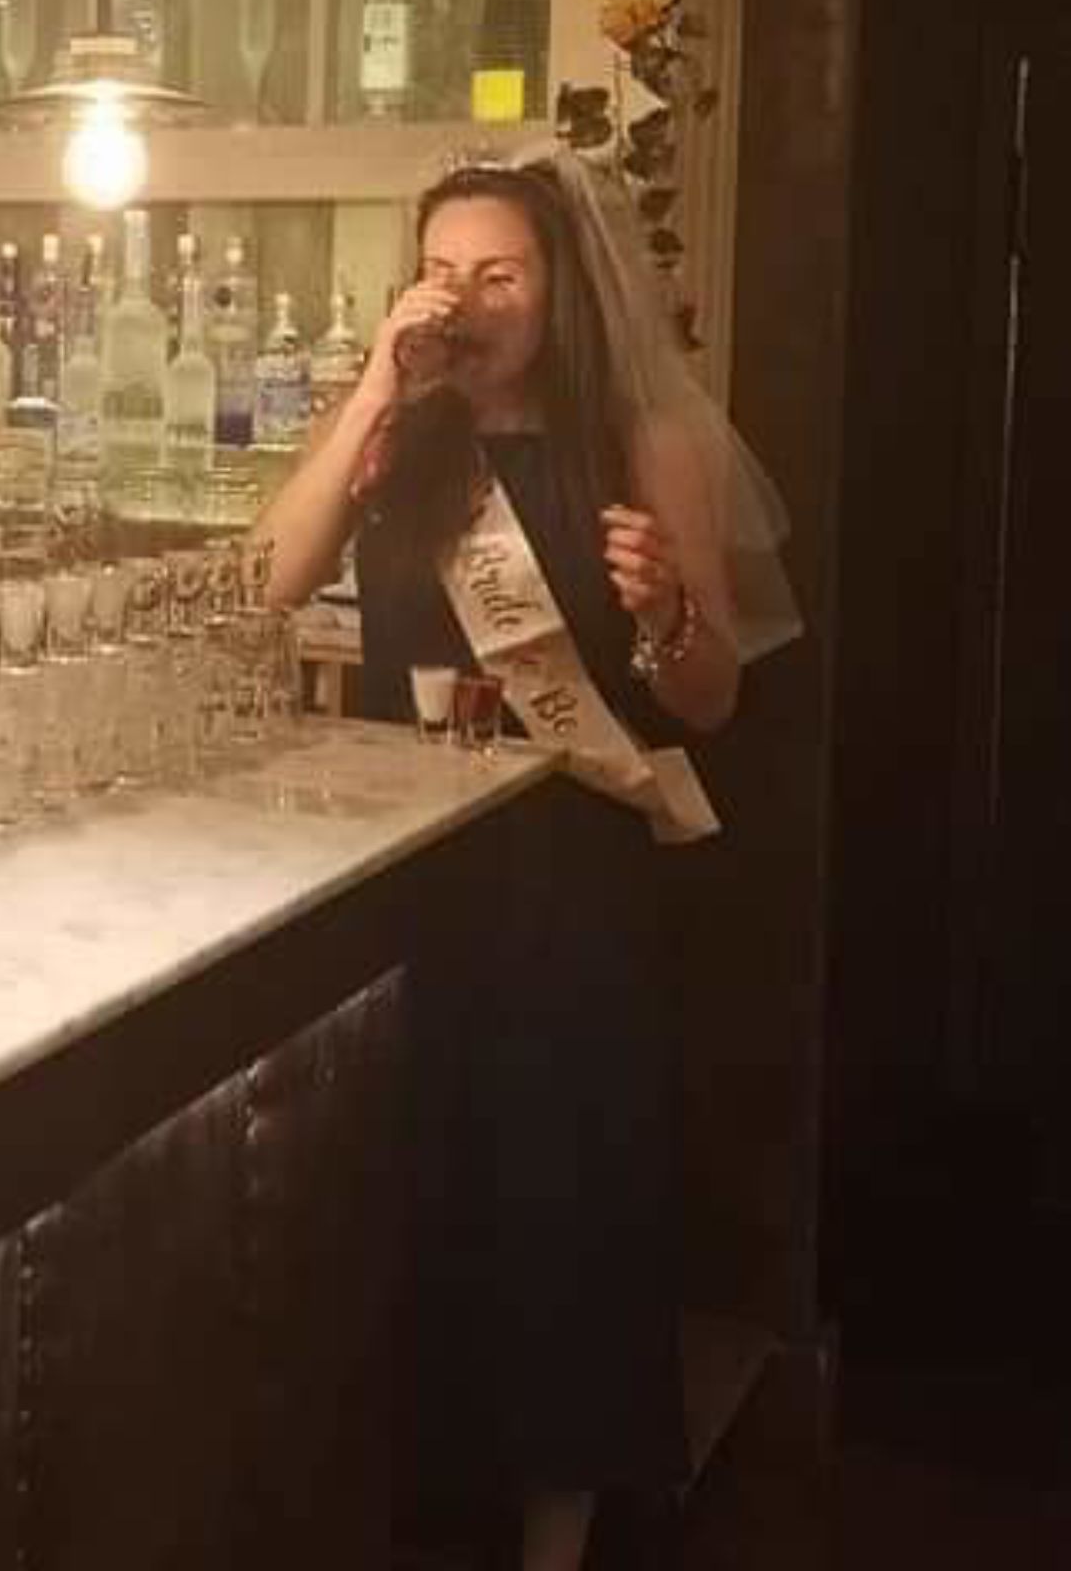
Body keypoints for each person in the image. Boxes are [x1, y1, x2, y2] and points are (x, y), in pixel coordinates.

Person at [253, 148, 795, 1571]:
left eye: (501, 275)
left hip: (572, 883)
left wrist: (668, 615)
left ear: (560, 291)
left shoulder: (641, 444)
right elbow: (269, 582)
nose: (469, 300)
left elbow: (711, 699)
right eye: (443, 272)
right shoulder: (397, 437)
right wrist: (374, 389)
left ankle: (553, 1547)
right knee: (417, 1201)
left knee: (564, 1209)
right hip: (401, 878)